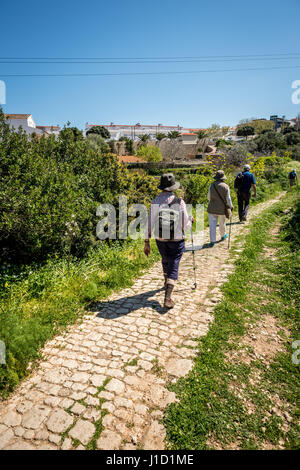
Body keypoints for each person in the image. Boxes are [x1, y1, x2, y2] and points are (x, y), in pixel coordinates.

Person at [144, 173, 191, 309]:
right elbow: (185, 224)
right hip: (176, 239)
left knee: (165, 259)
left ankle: (166, 281)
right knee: (174, 263)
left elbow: (149, 222)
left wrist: (146, 241)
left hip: (160, 239)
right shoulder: (179, 202)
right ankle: (168, 297)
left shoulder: (155, 202)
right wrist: (190, 222)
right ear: (173, 187)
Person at [207, 170, 233, 248]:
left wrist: (214, 201)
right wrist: (230, 206)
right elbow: (228, 199)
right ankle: (223, 235)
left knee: (212, 225)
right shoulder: (226, 186)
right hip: (222, 208)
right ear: (223, 178)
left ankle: (212, 241)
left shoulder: (211, 185)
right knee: (222, 223)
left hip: (212, 207)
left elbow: (208, 197)